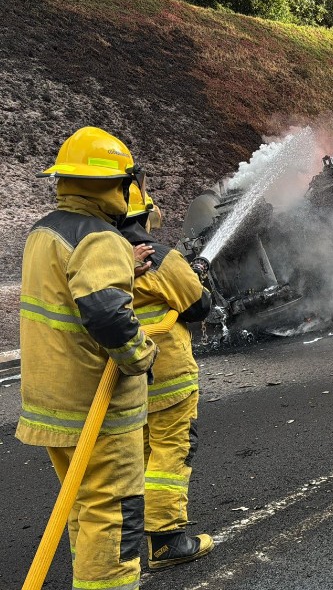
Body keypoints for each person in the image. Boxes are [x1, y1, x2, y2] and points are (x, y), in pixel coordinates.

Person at [18, 126, 158, 589]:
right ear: (118, 185)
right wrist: (140, 355)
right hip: (93, 408)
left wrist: (125, 268)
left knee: (84, 508)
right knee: (114, 516)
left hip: (51, 400)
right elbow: (106, 314)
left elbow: (70, 289)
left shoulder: (46, 231)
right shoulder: (101, 238)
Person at [119, 186, 214, 570]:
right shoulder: (159, 257)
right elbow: (198, 305)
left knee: (140, 454)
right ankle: (166, 540)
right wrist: (195, 276)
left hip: (124, 377)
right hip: (168, 376)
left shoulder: (103, 258)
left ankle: (131, 539)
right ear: (144, 216)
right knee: (171, 451)